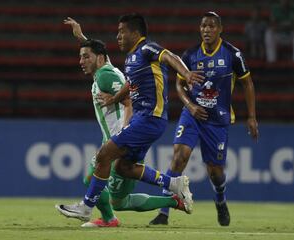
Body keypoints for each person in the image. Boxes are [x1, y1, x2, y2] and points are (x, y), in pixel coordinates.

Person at [55, 13, 204, 222]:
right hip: (144, 120)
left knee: (103, 156)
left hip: (149, 118)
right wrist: (114, 98)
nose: (118, 36)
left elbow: (170, 56)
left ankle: (86, 207)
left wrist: (186, 74)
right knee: (123, 167)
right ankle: (173, 184)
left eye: (122, 32)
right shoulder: (132, 59)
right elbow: (129, 84)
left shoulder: (146, 48)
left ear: (135, 33)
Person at [149, 12, 259, 226]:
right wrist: (189, 105)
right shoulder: (190, 55)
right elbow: (179, 84)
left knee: (215, 173)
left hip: (217, 120)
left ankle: (220, 199)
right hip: (192, 115)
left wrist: (252, 116)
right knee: (179, 156)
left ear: (220, 29)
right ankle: (163, 212)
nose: (206, 30)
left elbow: (247, 83)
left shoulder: (232, 54)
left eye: (211, 26)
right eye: (203, 26)